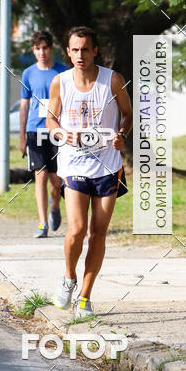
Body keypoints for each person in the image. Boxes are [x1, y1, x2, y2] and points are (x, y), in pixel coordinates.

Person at [46, 26, 132, 319]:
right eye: (75, 50)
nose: (80, 55)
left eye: (85, 49)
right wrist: (61, 134)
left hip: (108, 165)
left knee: (98, 234)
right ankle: (68, 277)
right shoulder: (60, 82)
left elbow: (128, 113)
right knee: (77, 229)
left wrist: (122, 134)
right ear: (68, 52)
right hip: (74, 164)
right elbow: (51, 119)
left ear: (95, 50)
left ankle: (84, 296)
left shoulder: (113, 80)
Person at [20, 30, 68, 238]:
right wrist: (22, 136)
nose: (42, 52)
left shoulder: (64, 72)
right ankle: (42, 223)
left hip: (57, 131)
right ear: (33, 50)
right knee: (40, 177)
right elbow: (24, 105)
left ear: (51, 49)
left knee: (56, 181)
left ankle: (55, 205)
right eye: (37, 48)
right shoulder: (28, 73)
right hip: (35, 130)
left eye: (45, 48)